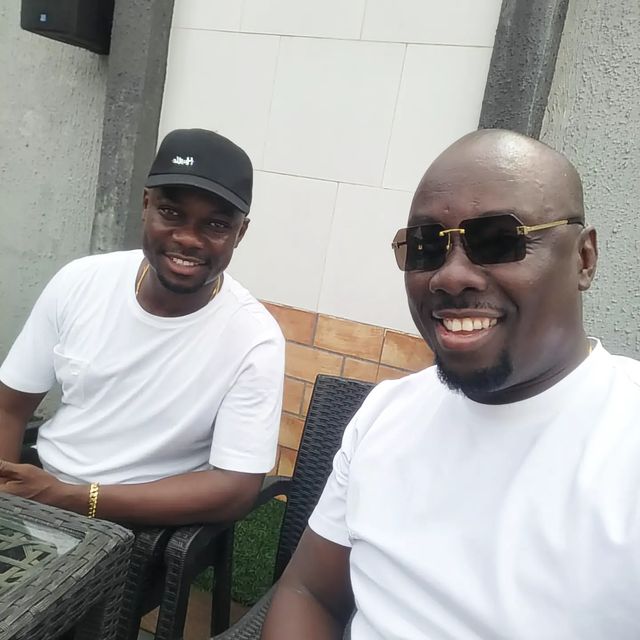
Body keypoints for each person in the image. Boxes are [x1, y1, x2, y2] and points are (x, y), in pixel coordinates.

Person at [262, 129, 640, 639]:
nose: (450, 276)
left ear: (584, 258)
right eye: (426, 246)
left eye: (499, 239)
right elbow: (309, 593)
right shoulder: (387, 413)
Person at [0, 128, 285, 526]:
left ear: (240, 233)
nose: (188, 238)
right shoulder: (80, 282)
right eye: (171, 213)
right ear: (146, 205)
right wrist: (10, 502)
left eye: (216, 225)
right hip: (42, 492)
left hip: (142, 525)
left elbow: (234, 488)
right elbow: (9, 406)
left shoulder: (254, 339)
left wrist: (71, 498)